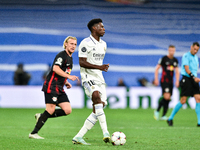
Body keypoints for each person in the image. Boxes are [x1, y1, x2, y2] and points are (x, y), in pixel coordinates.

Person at [29, 36, 79, 139]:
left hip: (59, 88)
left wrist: (65, 82)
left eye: (75, 44)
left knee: (67, 110)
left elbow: (63, 72)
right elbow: (55, 68)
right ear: (66, 44)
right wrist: (69, 77)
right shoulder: (62, 55)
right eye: (71, 44)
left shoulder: (70, 58)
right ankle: (33, 133)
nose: (73, 46)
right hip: (51, 86)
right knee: (50, 110)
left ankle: (42, 116)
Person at [72, 18, 110, 145]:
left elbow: (98, 62)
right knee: (96, 97)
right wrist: (100, 67)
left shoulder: (104, 44)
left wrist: (100, 68)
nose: (104, 29)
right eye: (101, 27)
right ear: (94, 28)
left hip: (100, 78)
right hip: (88, 77)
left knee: (98, 107)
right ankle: (106, 132)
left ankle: (79, 136)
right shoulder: (85, 43)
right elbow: (82, 62)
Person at [167, 42, 200, 126]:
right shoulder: (186, 56)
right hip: (187, 79)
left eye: (197, 50)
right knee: (183, 100)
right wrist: (194, 77)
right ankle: (170, 117)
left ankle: (199, 122)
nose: (196, 51)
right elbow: (187, 68)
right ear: (191, 47)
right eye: (194, 49)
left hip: (194, 80)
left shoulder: (196, 58)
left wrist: (195, 78)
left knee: (198, 98)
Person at [154, 45, 179, 121]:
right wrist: (156, 79)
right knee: (166, 97)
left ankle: (163, 115)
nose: (172, 52)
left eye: (173, 50)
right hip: (164, 80)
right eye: (170, 50)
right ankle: (157, 111)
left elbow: (177, 71)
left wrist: (177, 80)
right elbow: (157, 68)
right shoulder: (164, 59)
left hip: (171, 82)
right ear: (168, 50)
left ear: (174, 51)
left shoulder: (175, 60)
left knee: (168, 98)